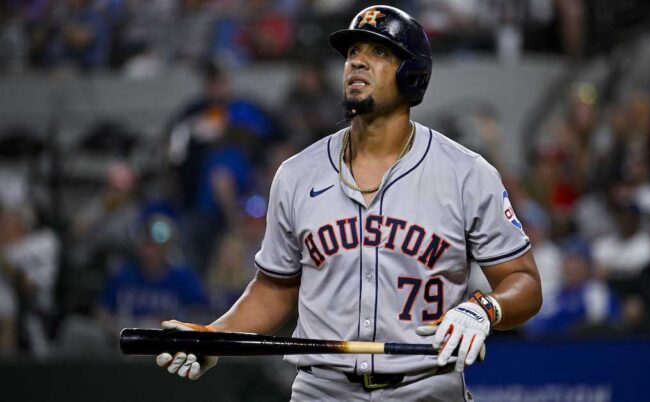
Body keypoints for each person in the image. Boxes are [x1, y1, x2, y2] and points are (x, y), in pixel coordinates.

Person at [154, 6, 542, 401]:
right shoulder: (296, 174)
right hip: (322, 389)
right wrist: (214, 337)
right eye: (354, 51)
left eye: (379, 52)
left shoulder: (466, 174)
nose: (357, 60)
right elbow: (274, 288)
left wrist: (484, 309)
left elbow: (524, 283)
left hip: (425, 387)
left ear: (412, 74)